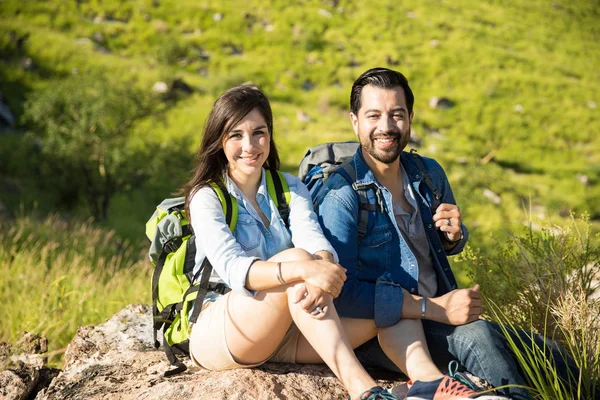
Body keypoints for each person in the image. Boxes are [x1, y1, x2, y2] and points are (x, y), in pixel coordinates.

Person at [313, 68, 580, 400]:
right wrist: (432, 308)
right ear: (355, 122)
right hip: (380, 331)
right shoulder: (341, 195)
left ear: (410, 117)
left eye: (396, 114)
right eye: (374, 115)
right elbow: (341, 293)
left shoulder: (427, 173)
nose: (386, 126)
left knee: (551, 355)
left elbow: (439, 247)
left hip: (440, 315)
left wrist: (452, 237)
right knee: (479, 338)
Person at [180, 84, 402, 400]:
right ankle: (363, 390)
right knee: (299, 261)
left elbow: (315, 240)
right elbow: (235, 271)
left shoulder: (290, 187)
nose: (249, 146)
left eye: (259, 133)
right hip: (222, 330)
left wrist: (323, 266)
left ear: (270, 135)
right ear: (219, 142)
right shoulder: (206, 197)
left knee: (388, 311)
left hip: (285, 329)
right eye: (236, 136)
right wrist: (304, 269)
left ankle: (430, 385)